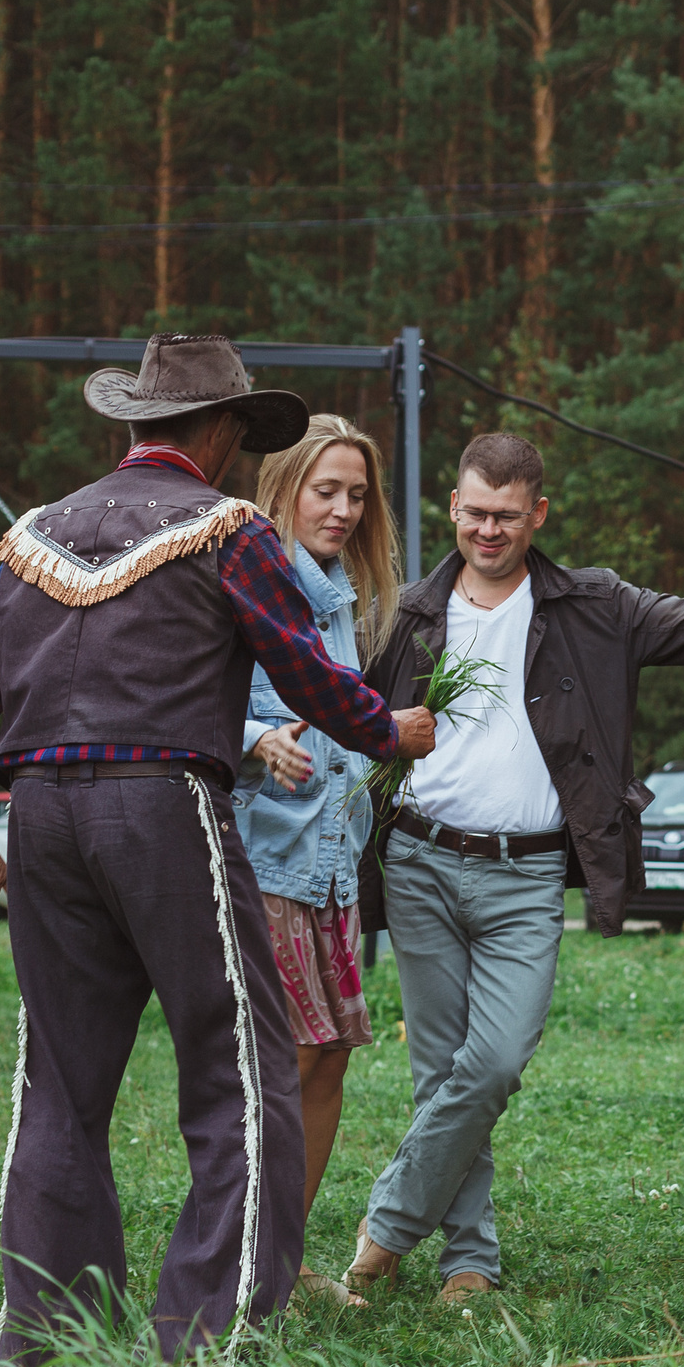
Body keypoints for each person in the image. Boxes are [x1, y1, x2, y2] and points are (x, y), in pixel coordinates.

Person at [0, 333, 437, 1367]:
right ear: (223, 430)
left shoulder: (33, 537)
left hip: (42, 820)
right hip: (164, 809)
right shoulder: (228, 530)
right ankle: (208, 1338)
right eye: (240, 432)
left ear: (136, 422)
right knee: (238, 1069)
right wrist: (387, 729)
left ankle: (46, 1341)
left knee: (60, 1084)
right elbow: (304, 671)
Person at [339, 431, 684, 1306]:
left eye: (508, 516)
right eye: (476, 512)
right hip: (419, 861)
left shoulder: (596, 607)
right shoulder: (404, 614)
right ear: (453, 508)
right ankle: (469, 1262)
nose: (489, 530)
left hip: (527, 876)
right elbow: (323, 692)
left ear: (538, 514)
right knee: (442, 1072)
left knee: (494, 1062)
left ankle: (384, 1232)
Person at [231, 414, 401, 1307]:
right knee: (289, 1061)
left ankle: (286, 1262)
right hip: (267, 863)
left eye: (357, 495)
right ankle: (249, 1261)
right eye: (324, 490)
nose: (342, 510)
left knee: (329, 1059)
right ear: (284, 490)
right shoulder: (247, 581)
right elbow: (186, 695)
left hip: (332, 866)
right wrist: (256, 738)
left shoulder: (340, 601)